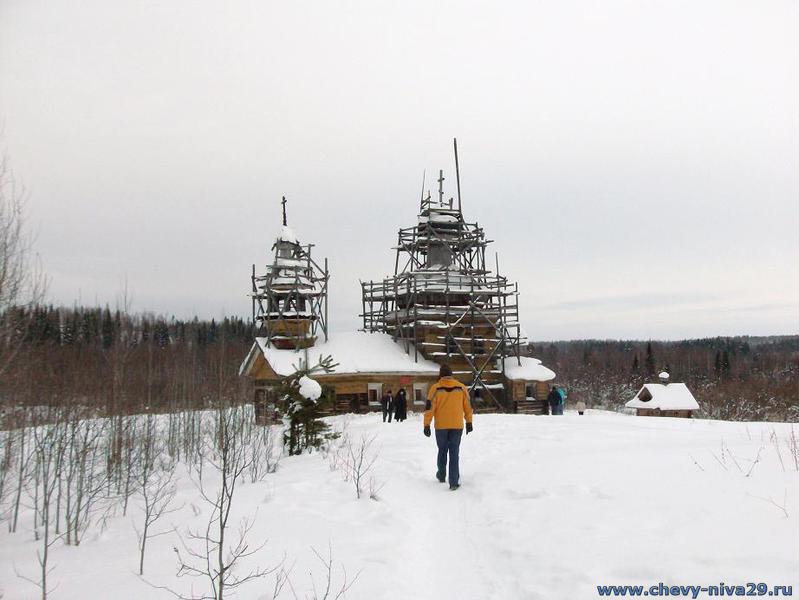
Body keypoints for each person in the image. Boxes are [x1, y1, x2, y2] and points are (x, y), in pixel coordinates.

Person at [423, 364, 473, 490]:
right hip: (457, 425)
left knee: (442, 450)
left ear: (440, 374)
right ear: (451, 374)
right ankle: (454, 482)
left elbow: (429, 408)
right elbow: (468, 407)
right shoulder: (461, 388)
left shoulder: (435, 388)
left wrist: (426, 424)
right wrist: (469, 422)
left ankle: (441, 474)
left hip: (441, 426)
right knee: (454, 452)